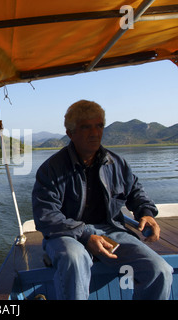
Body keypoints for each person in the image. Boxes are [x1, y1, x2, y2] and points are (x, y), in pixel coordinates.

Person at [32, 99, 173, 300]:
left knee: (159, 270)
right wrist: (86, 235)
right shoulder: (51, 169)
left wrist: (146, 212)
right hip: (66, 233)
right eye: (86, 127)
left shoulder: (117, 163)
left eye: (99, 126)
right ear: (70, 133)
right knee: (74, 258)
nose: (95, 133)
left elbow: (135, 191)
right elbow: (46, 216)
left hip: (110, 230)